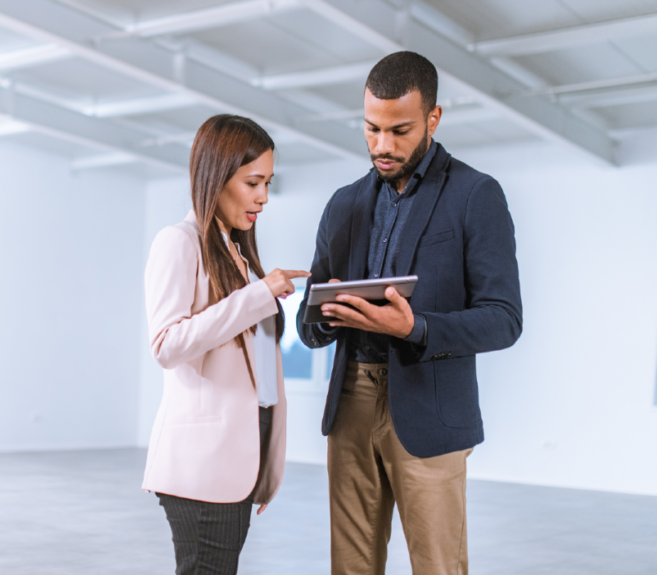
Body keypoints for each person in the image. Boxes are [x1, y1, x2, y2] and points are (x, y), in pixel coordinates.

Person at [296, 51, 522, 575]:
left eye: (399, 130)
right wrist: (330, 315)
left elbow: (504, 318)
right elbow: (310, 325)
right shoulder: (343, 204)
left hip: (430, 410)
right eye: (371, 128)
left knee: (438, 567)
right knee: (350, 567)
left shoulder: (475, 195)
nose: (382, 145)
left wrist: (415, 328)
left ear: (433, 119)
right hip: (350, 402)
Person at [142, 114, 309, 574]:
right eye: (253, 182)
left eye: (269, 183)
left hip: (238, 460)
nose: (264, 197)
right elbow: (167, 344)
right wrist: (258, 295)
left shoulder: (236, 253)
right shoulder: (178, 243)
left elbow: (255, 366)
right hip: (201, 466)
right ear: (217, 176)